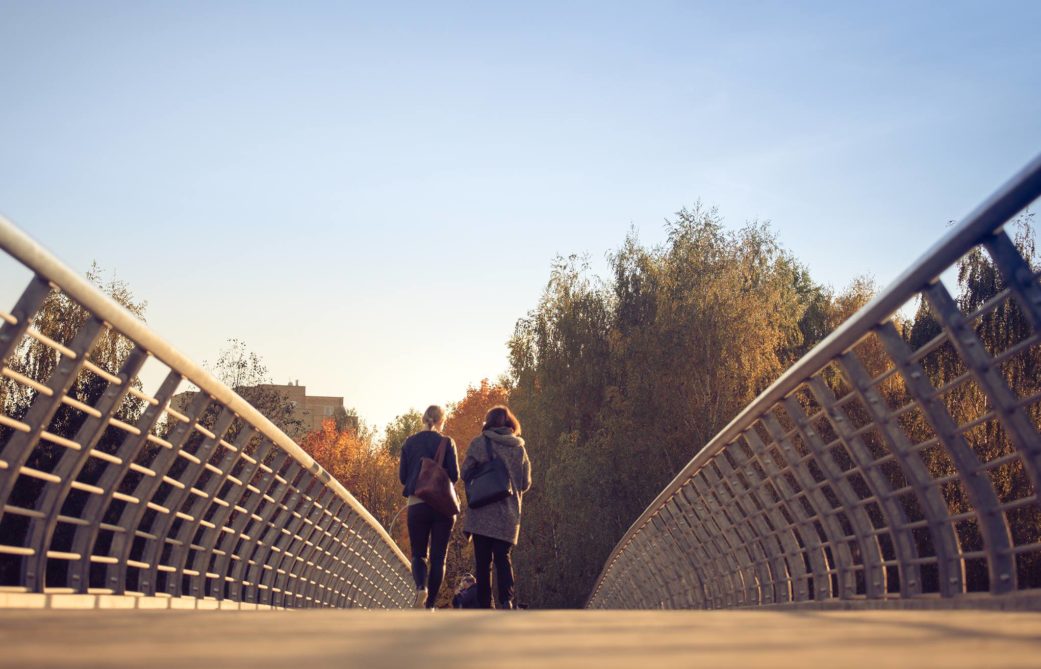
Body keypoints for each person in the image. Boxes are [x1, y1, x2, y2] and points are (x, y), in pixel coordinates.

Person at [461, 405, 532, 609]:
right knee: (503, 557)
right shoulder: (519, 447)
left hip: (481, 513)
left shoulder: (479, 443)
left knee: (483, 563)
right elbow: (525, 483)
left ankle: (485, 605)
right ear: (510, 423)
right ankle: (506, 600)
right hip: (508, 514)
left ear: (488, 423)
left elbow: (465, 472)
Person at [399, 404, 459, 609]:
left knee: (418, 554)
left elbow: (402, 478)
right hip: (442, 506)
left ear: (423, 419)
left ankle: (420, 588)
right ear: (441, 421)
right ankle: (431, 604)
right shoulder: (446, 442)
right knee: (438, 556)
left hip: (417, 503)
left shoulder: (409, 443)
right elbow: (455, 475)